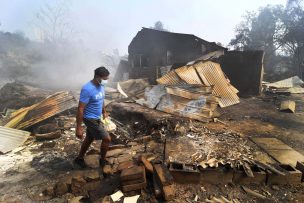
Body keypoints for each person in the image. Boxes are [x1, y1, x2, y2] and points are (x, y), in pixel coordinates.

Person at [74, 66, 111, 168]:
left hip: (97, 117)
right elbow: (80, 108)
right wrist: (79, 128)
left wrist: (104, 111)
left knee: (89, 138)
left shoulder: (101, 86)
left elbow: (101, 99)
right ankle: (102, 161)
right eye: (105, 79)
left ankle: (79, 158)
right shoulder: (87, 89)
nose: (106, 81)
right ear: (98, 77)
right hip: (90, 118)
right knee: (107, 139)